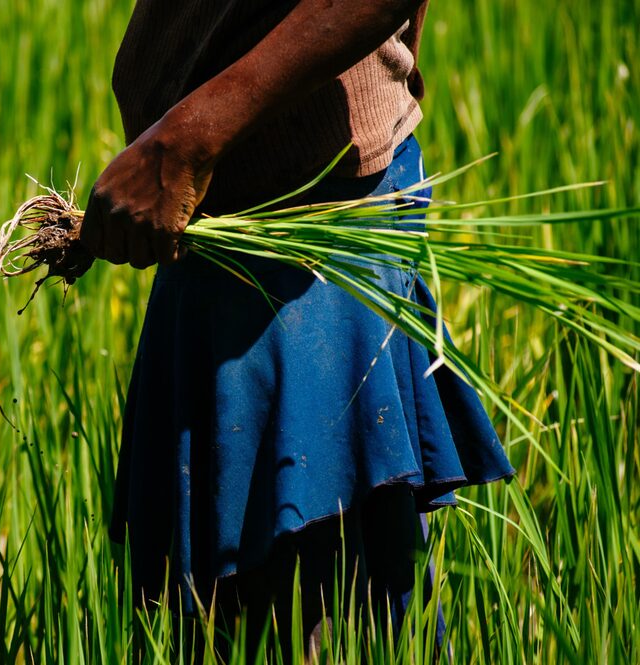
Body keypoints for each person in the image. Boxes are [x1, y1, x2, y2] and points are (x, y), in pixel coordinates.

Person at [79, 0, 515, 659]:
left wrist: (192, 134)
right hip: (223, 235)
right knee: (220, 624)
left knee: (313, 615)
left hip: (306, 250)